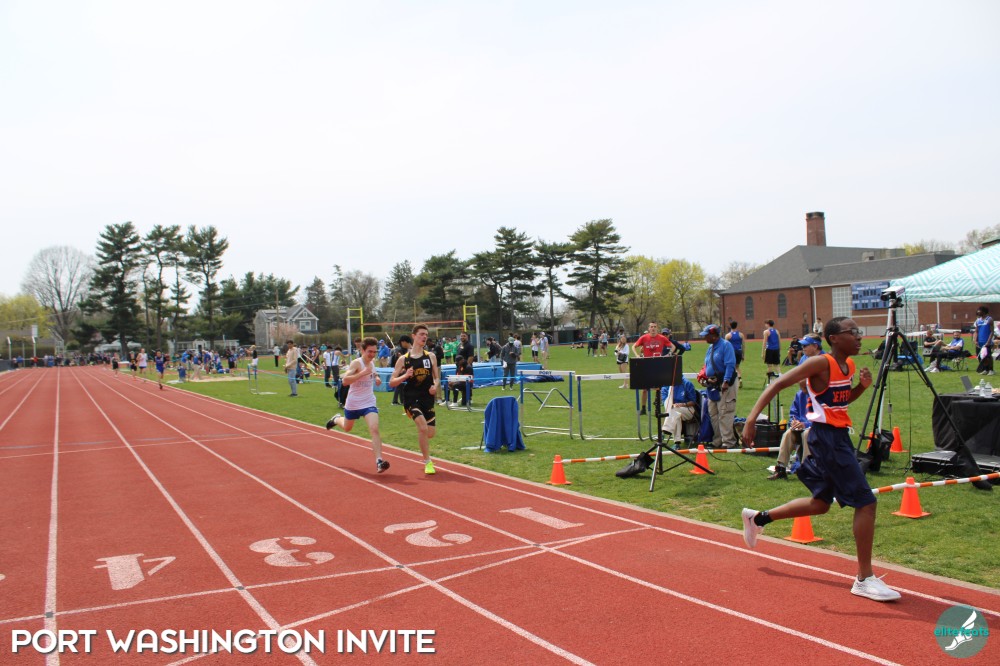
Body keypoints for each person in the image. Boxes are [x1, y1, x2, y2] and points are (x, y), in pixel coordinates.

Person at [740, 317, 900, 602]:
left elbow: (839, 401)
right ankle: (864, 579)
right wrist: (751, 419)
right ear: (834, 338)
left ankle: (758, 518)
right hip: (826, 439)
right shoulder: (819, 363)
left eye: (859, 332)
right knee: (866, 503)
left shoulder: (848, 366)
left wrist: (862, 387)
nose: (859, 337)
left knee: (820, 504)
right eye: (853, 332)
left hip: (835, 438)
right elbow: (778, 384)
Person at [324, 337, 390, 474]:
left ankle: (379, 461)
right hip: (353, 402)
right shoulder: (356, 363)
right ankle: (336, 419)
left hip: (368, 401)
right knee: (347, 428)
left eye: (375, 352)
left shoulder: (372, 362)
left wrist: (377, 377)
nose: (372, 354)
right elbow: (345, 381)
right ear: (362, 350)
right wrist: (362, 373)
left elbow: (373, 371)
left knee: (374, 428)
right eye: (369, 352)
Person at [389, 324, 441, 475]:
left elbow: (437, 377)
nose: (424, 337)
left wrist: (435, 386)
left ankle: (422, 439)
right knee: (423, 428)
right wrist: (405, 376)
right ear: (414, 336)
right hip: (411, 398)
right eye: (421, 334)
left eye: (426, 334)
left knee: (430, 433)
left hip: (427, 399)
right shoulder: (403, 359)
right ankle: (428, 462)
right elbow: (392, 382)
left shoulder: (430, 356)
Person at [699, 324, 738, 448]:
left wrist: (726, 381)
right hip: (713, 385)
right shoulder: (710, 348)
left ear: (714, 335)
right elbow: (707, 365)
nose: (704, 338)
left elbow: (730, 364)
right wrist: (704, 378)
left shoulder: (726, 345)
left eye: (706, 335)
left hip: (725, 384)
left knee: (725, 412)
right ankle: (718, 441)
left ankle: (728, 442)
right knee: (713, 414)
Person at [632, 322, 672, 415]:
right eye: (651, 327)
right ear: (649, 328)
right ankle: (643, 408)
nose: (653, 328)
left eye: (654, 327)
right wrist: (637, 355)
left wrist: (668, 355)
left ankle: (657, 407)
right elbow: (633, 346)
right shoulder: (644, 337)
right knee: (645, 389)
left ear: (657, 328)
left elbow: (672, 346)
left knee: (658, 388)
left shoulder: (662, 338)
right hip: (647, 365)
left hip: (658, 365)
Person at [660, 376, 698, 443]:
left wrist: (682, 404)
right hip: (672, 410)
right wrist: (672, 405)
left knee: (674, 410)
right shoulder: (666, 385)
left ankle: (665, 430)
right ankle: (677, 442)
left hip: (688, 409)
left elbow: (693, 402)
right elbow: (665, 402)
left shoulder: (687, 383)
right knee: (676, 415)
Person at [389, 335, 412, 406]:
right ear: (403, 342)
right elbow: (397, 359)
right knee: (399, 385)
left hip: (404, 369)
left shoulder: (405, 349)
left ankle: (402, 401)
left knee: (401, 386)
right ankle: (395, 401)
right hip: (399, 369)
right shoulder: (398, 349)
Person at [974, 306, 995, 375]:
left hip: (987, 341)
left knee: (988, 356)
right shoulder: (978, 320)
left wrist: (988, 341)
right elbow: (976, 331)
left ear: (984, 311)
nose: (978, 312)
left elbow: (992, 332)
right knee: (981, 356)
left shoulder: (989, 319)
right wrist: (975, 340)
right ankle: (986, 369)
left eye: (979, 310)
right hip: (980, 341)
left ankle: (991, 370)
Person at [725, 321, 745, 388]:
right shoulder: (741, 335)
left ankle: (733, 381)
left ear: (730, 326)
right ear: (736, 326)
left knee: (732, 367)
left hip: (732, 352)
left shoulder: (728, 335)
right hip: (739, 351)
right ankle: (740, 379)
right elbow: (743, 345)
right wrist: (743, 354)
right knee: (737, 367)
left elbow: (726, 346)